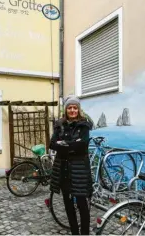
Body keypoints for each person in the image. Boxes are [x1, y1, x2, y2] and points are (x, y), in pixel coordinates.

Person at [49, 95, 93, 235]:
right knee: (68, 204)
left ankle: (84, 233)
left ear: (78, 110)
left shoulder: (84, 125)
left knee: (82, 204)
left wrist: (64, 145)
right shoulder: (60, 125)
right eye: (70, 107)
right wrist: (71, 145)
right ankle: (75, 232)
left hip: (79, 171)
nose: (72, 110)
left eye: (75, 107)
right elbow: (52, 144)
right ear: (66, 109)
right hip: (64, 170)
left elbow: (82, 146)